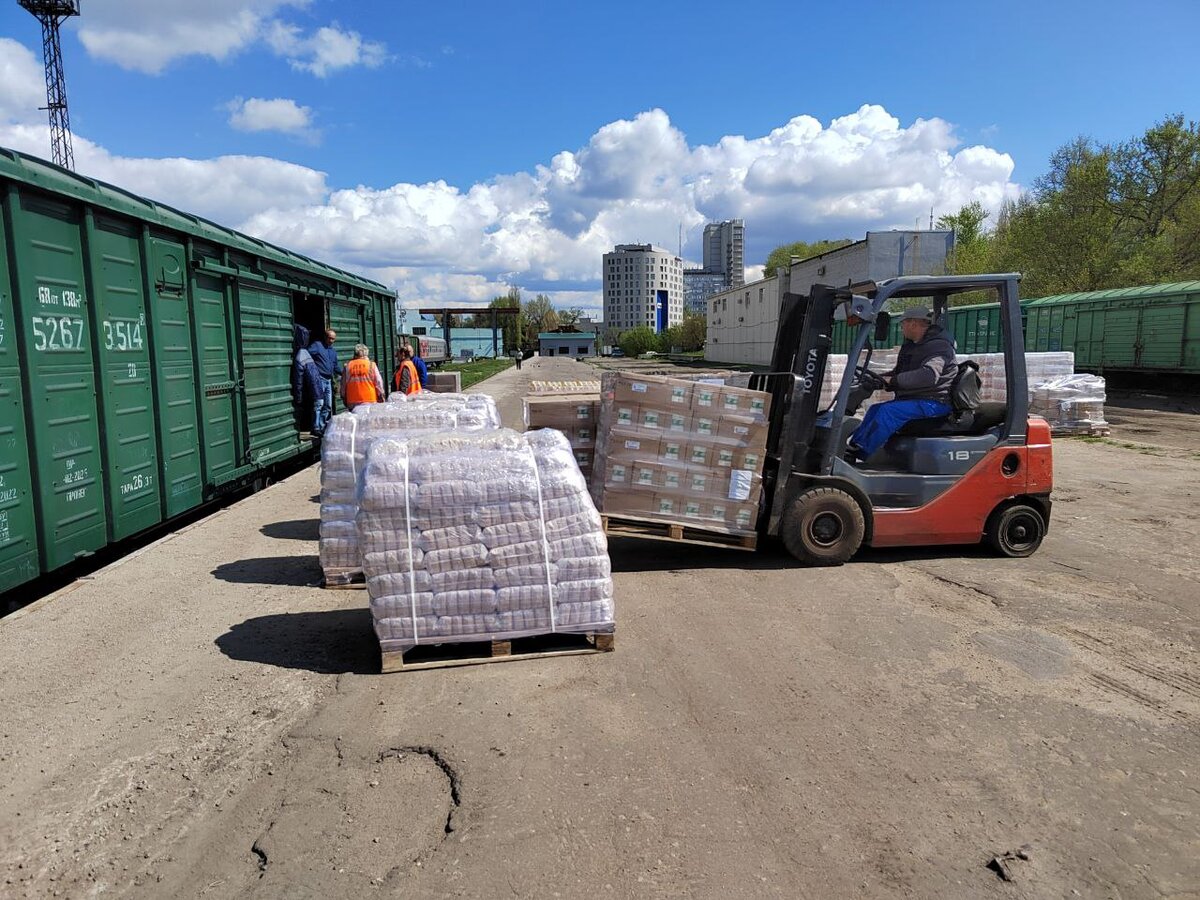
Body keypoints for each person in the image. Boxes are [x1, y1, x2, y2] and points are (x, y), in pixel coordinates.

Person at [846, 307, 956, 462]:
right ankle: (853, 449)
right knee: (875, 409)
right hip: (919, 399)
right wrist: (879, 379)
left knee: (887, 412)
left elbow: (929, 375)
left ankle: (857, 453)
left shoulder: (938, 346)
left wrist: (894, 381)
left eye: (903, 323)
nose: (901, 327)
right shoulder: (915, 346)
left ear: (913, 324)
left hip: (934, 402)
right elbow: (899, 373)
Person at [291, 325, 324, 437]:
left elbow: (298, 380)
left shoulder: (300, 356)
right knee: (318, 406)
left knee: (315, 407)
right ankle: (316, 427)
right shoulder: (306, 353)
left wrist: (298, 397)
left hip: (313, 388)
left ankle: (314, 428)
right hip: (316, 387)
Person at [308, 328, 343, 432]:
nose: (331, 341)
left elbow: (336, 366)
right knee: (319, 404)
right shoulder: (317, 346)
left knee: (328, 405)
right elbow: (306, 354)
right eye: (330, 338)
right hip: (319, 379)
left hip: (328, 380)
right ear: (325, 337)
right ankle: (316, 427)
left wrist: (344, 373)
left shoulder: (333, 351)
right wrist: (312, 369)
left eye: (333, 339)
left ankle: (322, 425)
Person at [341, 343, 386, 410]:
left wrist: (343, 396)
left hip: (352, 401)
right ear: (366, 353)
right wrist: (381, 395)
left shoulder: (348, 366)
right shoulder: (371, 365)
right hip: (369, 400)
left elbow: (343, 384)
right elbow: (378, 382)